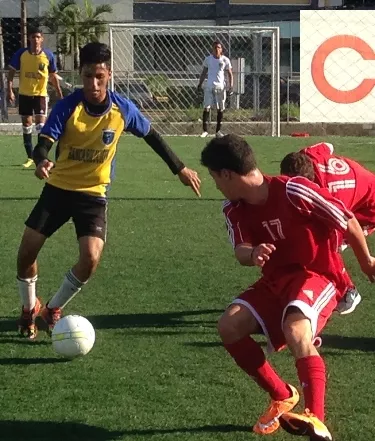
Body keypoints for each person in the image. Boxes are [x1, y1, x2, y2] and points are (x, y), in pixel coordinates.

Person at [16, 42, 201, 341]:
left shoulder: (122, 108)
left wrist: (179, 168)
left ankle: (52, 309)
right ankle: (28, 307)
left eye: (99, 76)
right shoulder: (68, 107)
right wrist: (41, 161)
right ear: (81, 74)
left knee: (90, 259)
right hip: (58, 189)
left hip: (93, 194)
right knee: (26, 253)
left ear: (109, 74)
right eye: (88, 76)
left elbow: (151, 136)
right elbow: (43, 144)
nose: (94, 84)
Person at [201, 134, 375, 441]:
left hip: (317, 275)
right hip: (275, 281)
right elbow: (241, 250)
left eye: (215, 177)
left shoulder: (293, 190)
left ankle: (316, 418)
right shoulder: (233, 208)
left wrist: (366, 263)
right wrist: (252, 254)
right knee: (229, 325)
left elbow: (346, 220)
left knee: (296, 330)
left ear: (227, 174)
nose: (216, 184)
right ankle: (281, 395)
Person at [280, 142, 375, 314]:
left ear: (311, 184)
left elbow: (349, 223)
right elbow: (327, 146)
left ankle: (348, 292)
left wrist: (366, 261)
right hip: (361, 194)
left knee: (327, 244)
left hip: (369, 211)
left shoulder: (331, 194)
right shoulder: (306, 156)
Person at [7, 27, 63, 168]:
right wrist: (9, 89)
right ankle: (29, 157)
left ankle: (41, 156)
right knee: (26, 125)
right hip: (25, 94)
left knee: (40, 125)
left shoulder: (48, 55)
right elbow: (11, 72)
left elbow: (53, 76)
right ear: (29, 39)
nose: (35, 39)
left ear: (42, 39)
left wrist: (59, 92)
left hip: (40, 95)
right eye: (33, 37)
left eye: (38, 37)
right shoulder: (21, 54)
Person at [197, 41, 233, 139]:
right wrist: (200, 83)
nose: (217, 49)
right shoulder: (208, 59)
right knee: (206, 107)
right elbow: (204, 72)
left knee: (220, 108)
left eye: (218, 47)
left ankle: (218, 131)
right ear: (212, 49)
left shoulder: (225, 60)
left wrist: (231, 85)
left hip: (221, 87)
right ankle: (205, 131)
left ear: (221, 49)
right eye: (215, 47)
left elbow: (230, 73)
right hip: (209, 86)